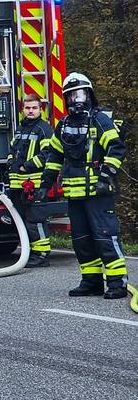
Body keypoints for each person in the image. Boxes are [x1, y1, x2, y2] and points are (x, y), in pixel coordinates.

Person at [41, 73, 128, 299]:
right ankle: (91, 282)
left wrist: (105, 177)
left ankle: (117, 283)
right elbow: (54, 155)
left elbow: (116, 148)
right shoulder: (64, 125)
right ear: (66, 99)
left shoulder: (100, 120)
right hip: (75, 194)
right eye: (71, 96)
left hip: (98, 193)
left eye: (80, 94)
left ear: (89, 95)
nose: (76, 100)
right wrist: (45, 184)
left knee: (105, 237)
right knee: (82, 241)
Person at [6, 95, 55, 267]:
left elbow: (48, 154)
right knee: (25, 221)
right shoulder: (21, 129)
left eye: (34, 108)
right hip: (19, 185)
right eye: (28, 108)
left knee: (36, 221)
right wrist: (10, 161)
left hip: (34, 184)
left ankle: (42, 255)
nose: (31, 111)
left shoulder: (44, 129)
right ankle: (31, 253)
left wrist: (27, 166)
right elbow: (13, 149)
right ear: (23, 109)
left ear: (40, 109)